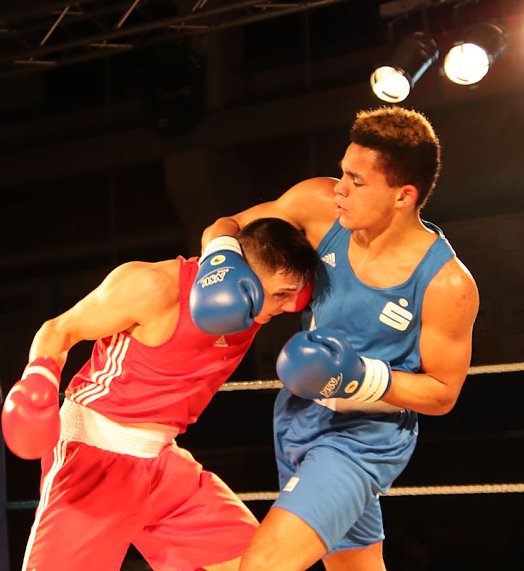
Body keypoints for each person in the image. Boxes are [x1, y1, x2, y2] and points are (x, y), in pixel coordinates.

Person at [200, 106, 480, 571]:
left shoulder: (446, 284)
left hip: (363, 440)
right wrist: (220, 259)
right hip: (297, 418)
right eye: (342, 173)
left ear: (403, 195)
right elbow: (225, 225)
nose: (340, 189)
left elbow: (442, 393)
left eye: (357, 181)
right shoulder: (318, 206)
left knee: (265, 564)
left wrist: (359, 377)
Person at [1, 218, 319, 571]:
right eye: (281, 294)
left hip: (163, 464)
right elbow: (60, 329)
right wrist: (38, 379)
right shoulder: (155, 287)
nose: (288, 306)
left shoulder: (256, 306)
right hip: (94, 457)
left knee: (257, 564)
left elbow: (238, 223)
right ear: (241, 275)